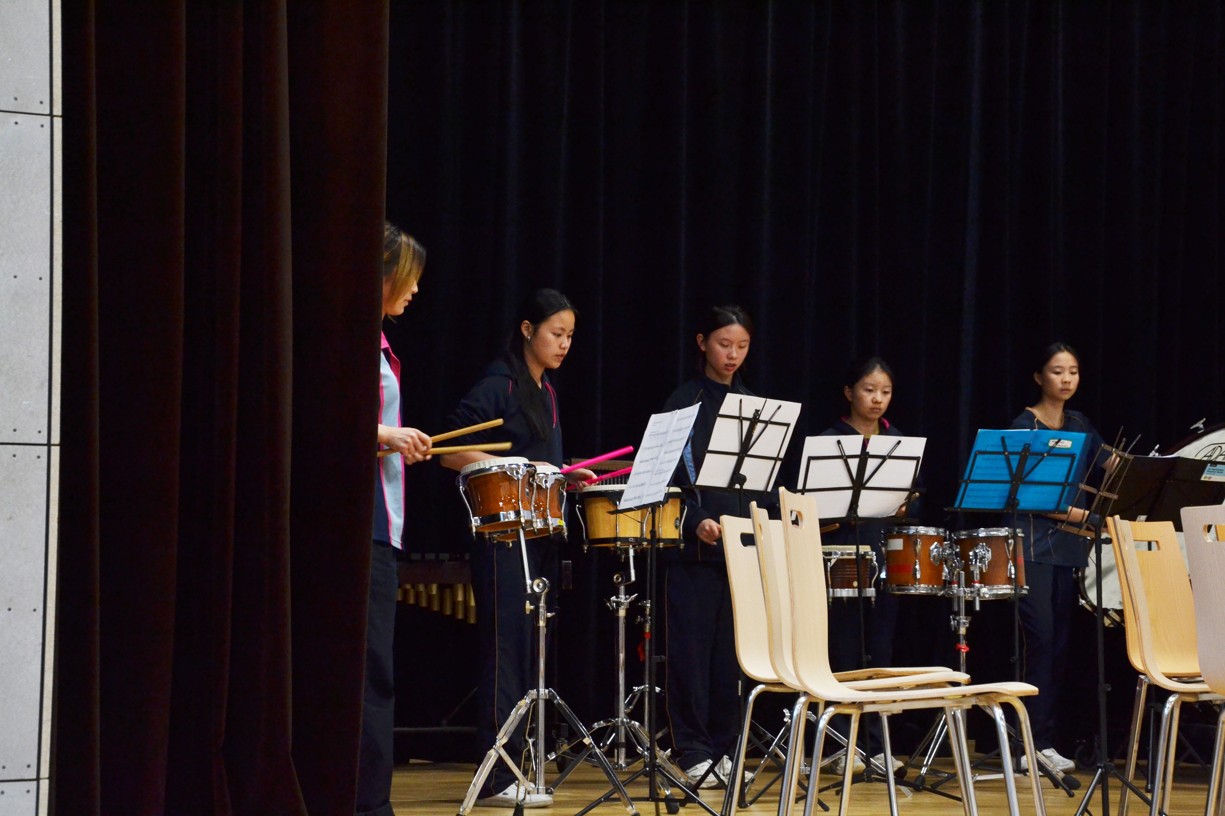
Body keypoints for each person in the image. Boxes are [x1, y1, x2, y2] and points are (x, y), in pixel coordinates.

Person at [439, 289, 594, 809]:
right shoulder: (499, 383)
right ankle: (494, 775)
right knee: (505, 654)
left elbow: (540, 460)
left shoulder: (545, 390)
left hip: (538, 537)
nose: (565, 344)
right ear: (528, 330)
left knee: (529, 655)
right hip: (503, 538)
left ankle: (517, 765)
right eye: (556, 333)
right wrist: (522, 470)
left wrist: (564, 475)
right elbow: (449, 449)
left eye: (570, 336)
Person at [661, 305, 768, 790]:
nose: (733, 355)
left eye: (742, 346)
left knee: (731, 658)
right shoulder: (683, 402)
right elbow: (667, 480)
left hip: (741, 551)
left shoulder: (753, 405)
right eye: (725, 344)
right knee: (691, 655)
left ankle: (726, 748)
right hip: (694, 552)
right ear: (703, 342)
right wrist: (695, 521)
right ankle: (693, 750)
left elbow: (761, 479)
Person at [1008, 342, 1105, 773]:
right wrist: (1092, 516)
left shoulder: (1080, 423)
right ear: (1038, 377)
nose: (1066, 379)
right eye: (1057, 371)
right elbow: (1032, 496)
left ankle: (1042, 740)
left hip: (1068, 549)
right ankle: (1028, 742)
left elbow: (1109, 462)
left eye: (1073, 371)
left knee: (1060, 646)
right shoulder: (1024, 425)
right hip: (1030, 548)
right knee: (1040, 642)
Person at [362, 222, 432, 816]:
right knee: (370, 672)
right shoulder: (352, 340)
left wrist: (394, 439)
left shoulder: (382, 342)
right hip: (361, 527)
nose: (414, 291)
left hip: (384, 525)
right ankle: (368, 805)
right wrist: (387, 433)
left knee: (377, 670)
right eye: (408, 279)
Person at [818, 356, 914, 774]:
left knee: (880, 650)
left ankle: (876, 745)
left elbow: (912, 497)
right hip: (840, 554)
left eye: (885, 392)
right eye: (869, 390)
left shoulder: (898, 440)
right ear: (849, 392)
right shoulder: (830, 441)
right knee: (842, 648)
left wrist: (905, 504)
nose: (877, 399)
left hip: (883, 555)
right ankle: (842, 745)